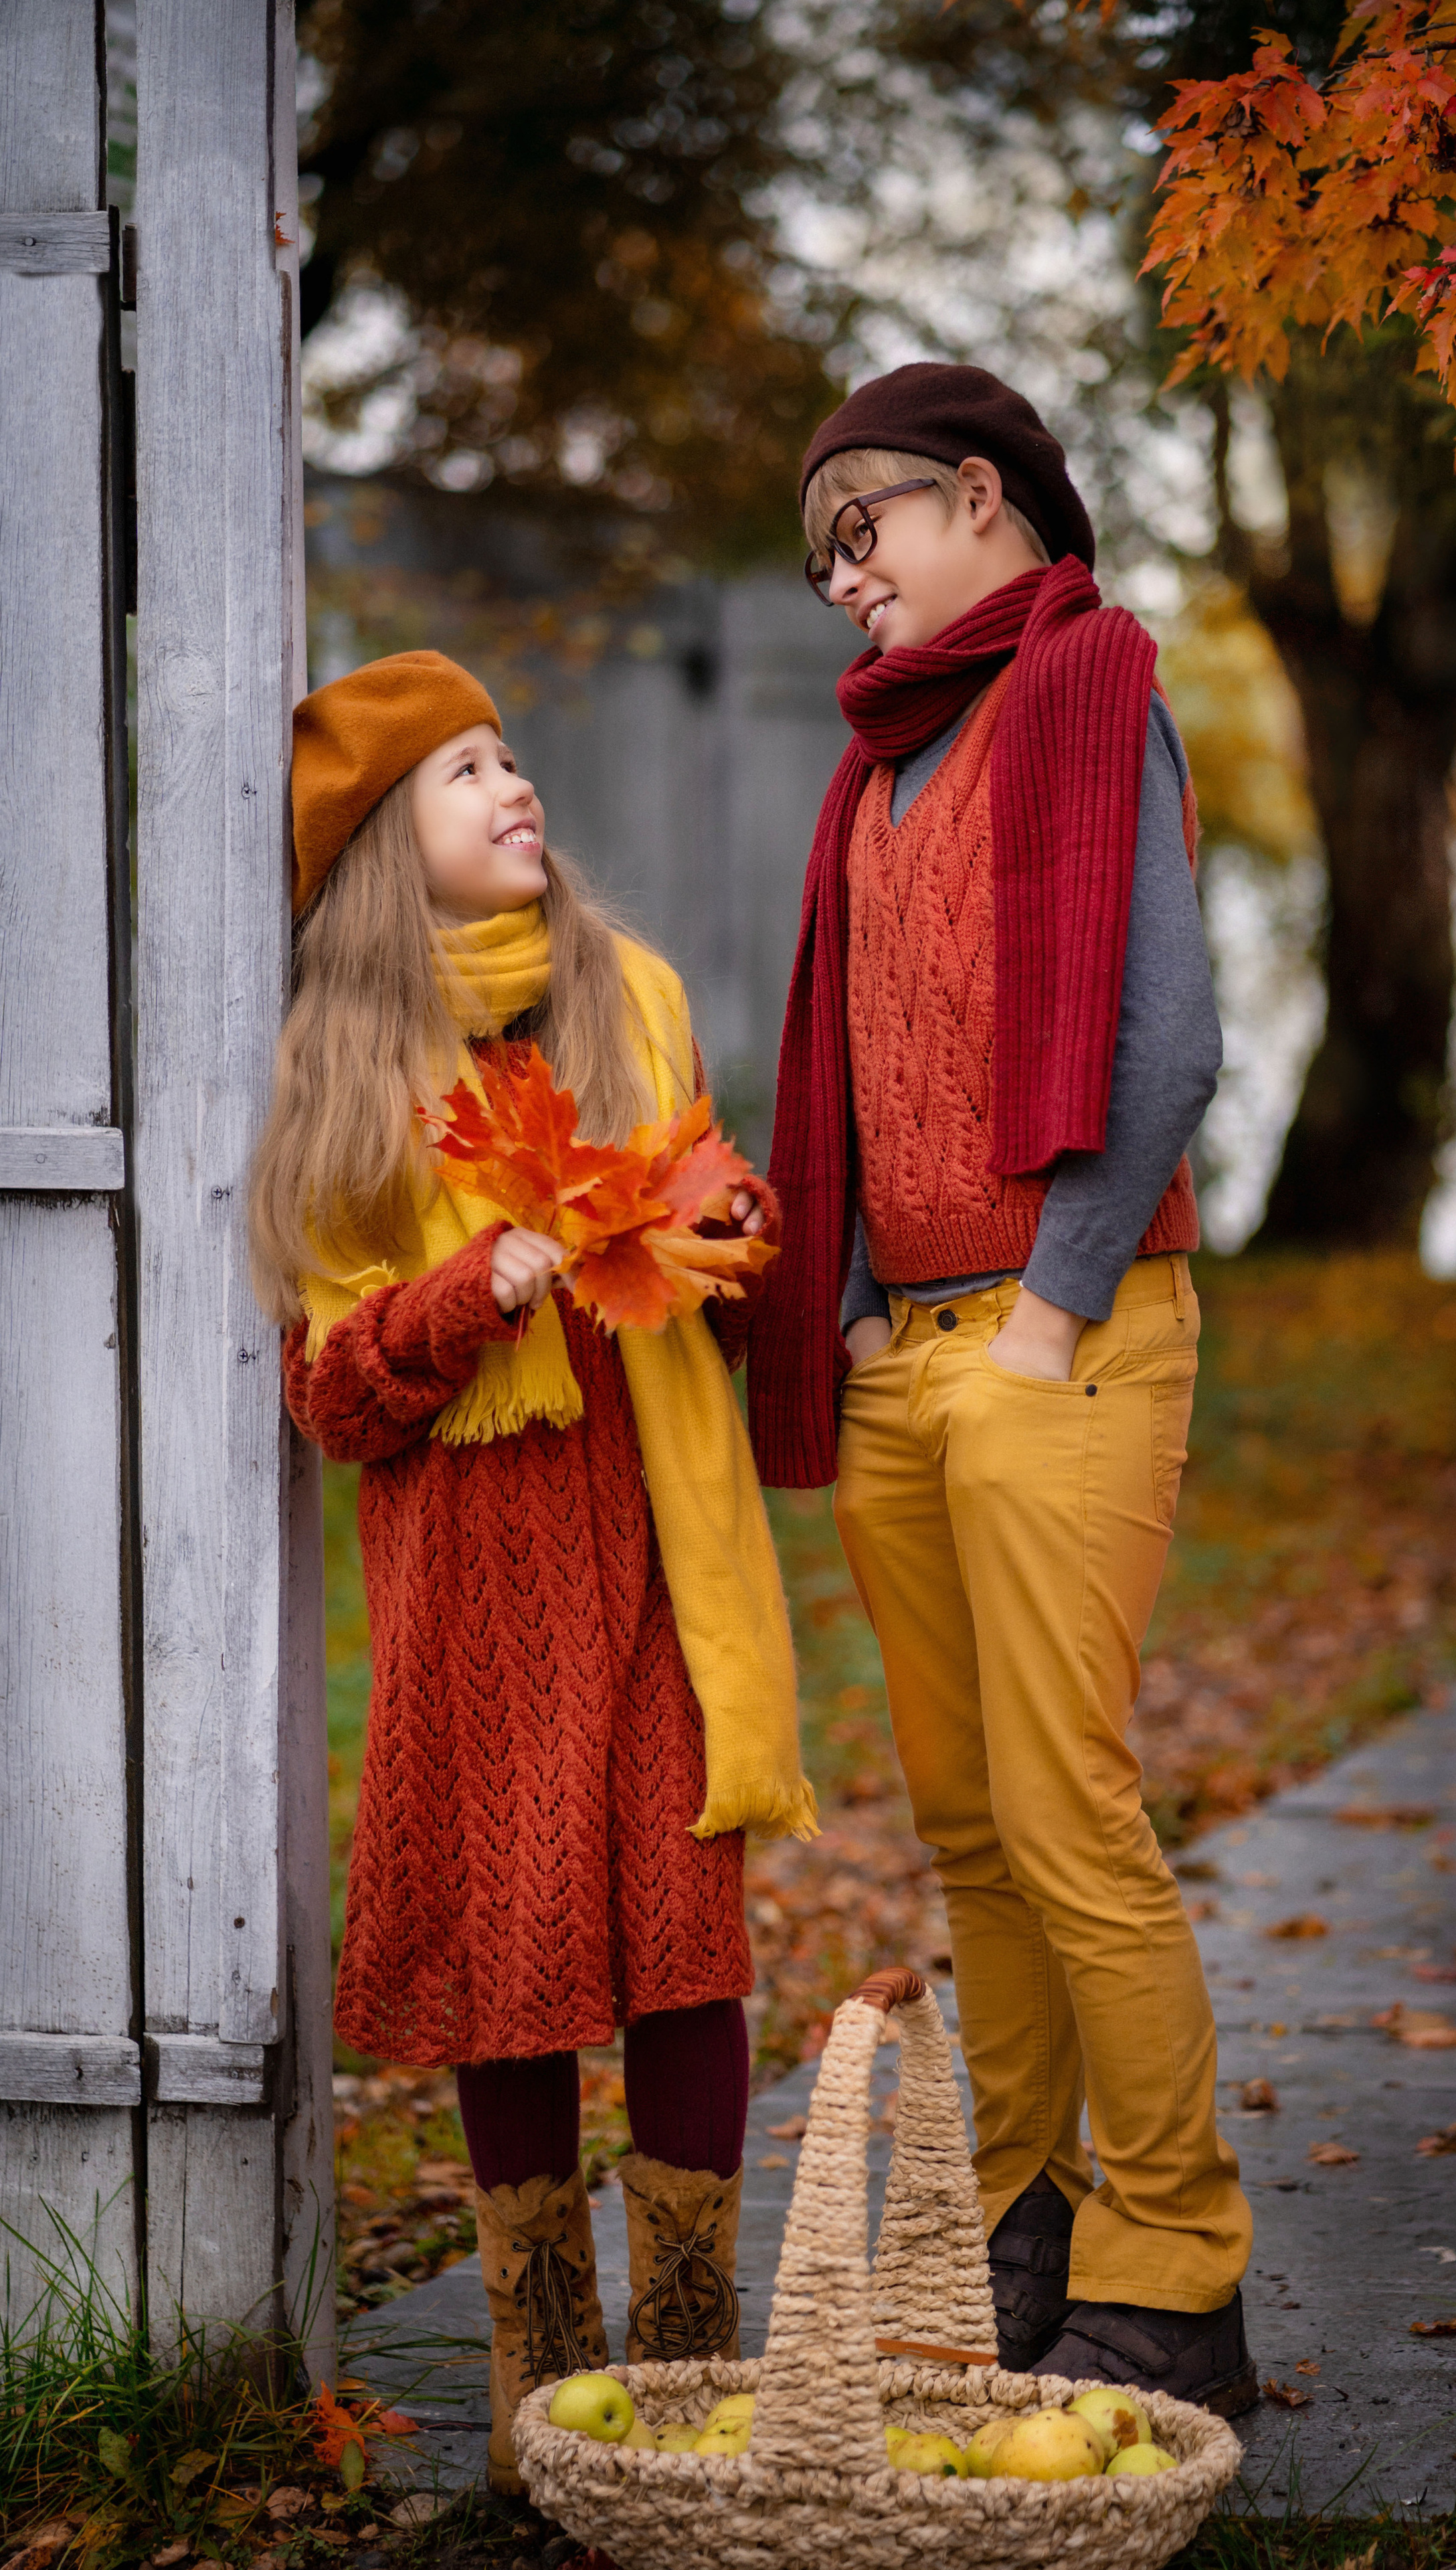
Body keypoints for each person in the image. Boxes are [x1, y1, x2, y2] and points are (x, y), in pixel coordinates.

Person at [249, 651, 814, 2491]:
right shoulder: (350, 1071)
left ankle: (685, 2367)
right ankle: (539, 2380)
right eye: (460, 774)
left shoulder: (625, 992)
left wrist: (729, 1231)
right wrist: (461, 1289)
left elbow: (705, 1204)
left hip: (649, 1542)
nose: (514, 785)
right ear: (377, 856)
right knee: (515, 1954)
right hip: (476, 1587)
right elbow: (336, 1394)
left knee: (677, 1937)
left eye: (513, 756)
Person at [749, 365, 1255, 2410]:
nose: (841, 582)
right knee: (970, 1830)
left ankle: (1180, 2270)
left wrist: (1047, 1305)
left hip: (1070, 1328)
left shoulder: (1090, 686)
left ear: (979, 493)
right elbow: (862, 1062)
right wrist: (858, 1304)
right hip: (907, 1359)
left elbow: (1171, 1040)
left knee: (1070, 1817)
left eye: (856, 535)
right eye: (817, 567)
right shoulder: (867, 778)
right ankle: (1022, 2226)